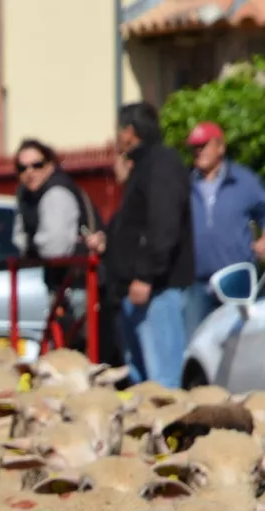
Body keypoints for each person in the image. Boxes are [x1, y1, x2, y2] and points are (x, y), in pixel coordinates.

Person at [89, 101, 195, 389]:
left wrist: (147, 274)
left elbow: (164, 225)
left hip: (156, 290)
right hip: (136, 288)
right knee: (140, 381)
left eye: (119, 131)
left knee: (161, 382)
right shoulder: (143, 167)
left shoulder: (161, 165)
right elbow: (134, 225)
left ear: (130, 132)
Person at [184, 121, 265, 337]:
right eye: (194, 147)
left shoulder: (243, 181)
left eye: (203, 145)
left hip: (235, 280)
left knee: (237, 340)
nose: (198, 152)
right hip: (196, 283)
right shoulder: (185, 182)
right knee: (196, 342)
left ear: (220, 147)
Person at [12, 138, 98, 349]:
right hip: (59, 282)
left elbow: (53, 248)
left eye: (37, 165)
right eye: (22, 168)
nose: (29, 172)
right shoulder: (27, 196)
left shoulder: (56, 193)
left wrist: (32, 247)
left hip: (77, 284)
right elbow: (18, 237)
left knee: (76, 348)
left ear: (50, 164)